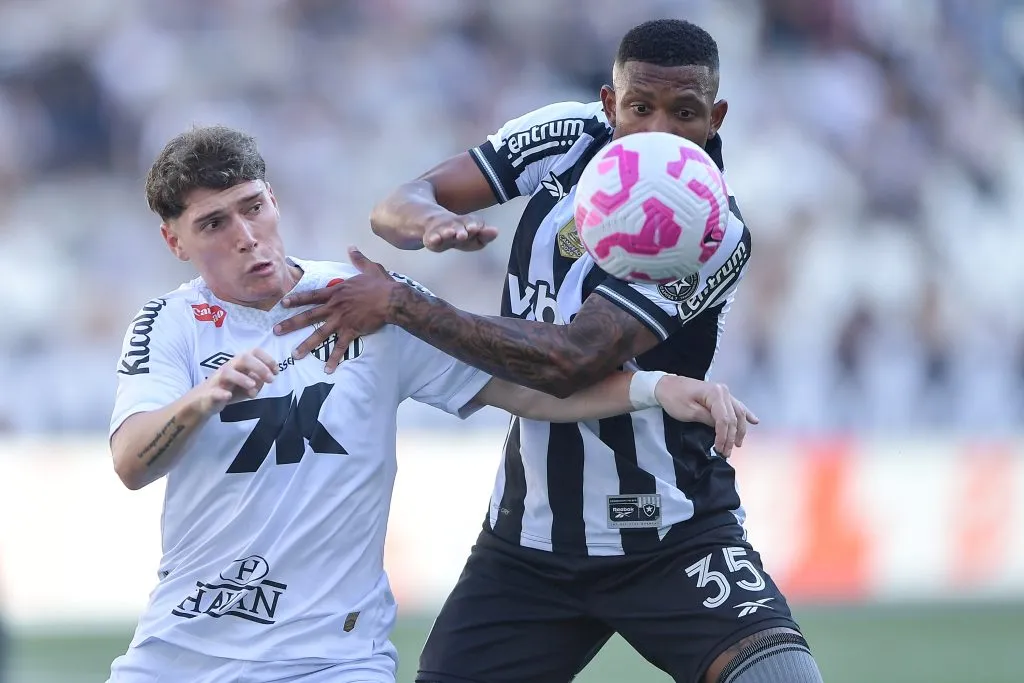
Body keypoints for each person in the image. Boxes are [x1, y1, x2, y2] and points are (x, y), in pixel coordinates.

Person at [273, 18, 824, 683]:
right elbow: (398, 203)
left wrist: (402, 302)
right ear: (608, 103)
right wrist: (433, 222)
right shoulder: (567, 135)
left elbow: (569, 361)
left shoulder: (714, 229)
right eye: (640, 108)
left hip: (672, 533)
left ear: (717, 117)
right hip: (531, 543)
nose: (658, 131)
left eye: (684, 113)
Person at [105, 124, 756, 683]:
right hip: (180, 651)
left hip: (329, 658)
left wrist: (653, 387)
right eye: (214, 223)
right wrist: (202, 400)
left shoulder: (365, 300)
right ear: (176, 241)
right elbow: (132, 460)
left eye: (253, 207)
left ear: (274, 199)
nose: (246, 235)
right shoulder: (170, 323)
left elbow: (520, 386)